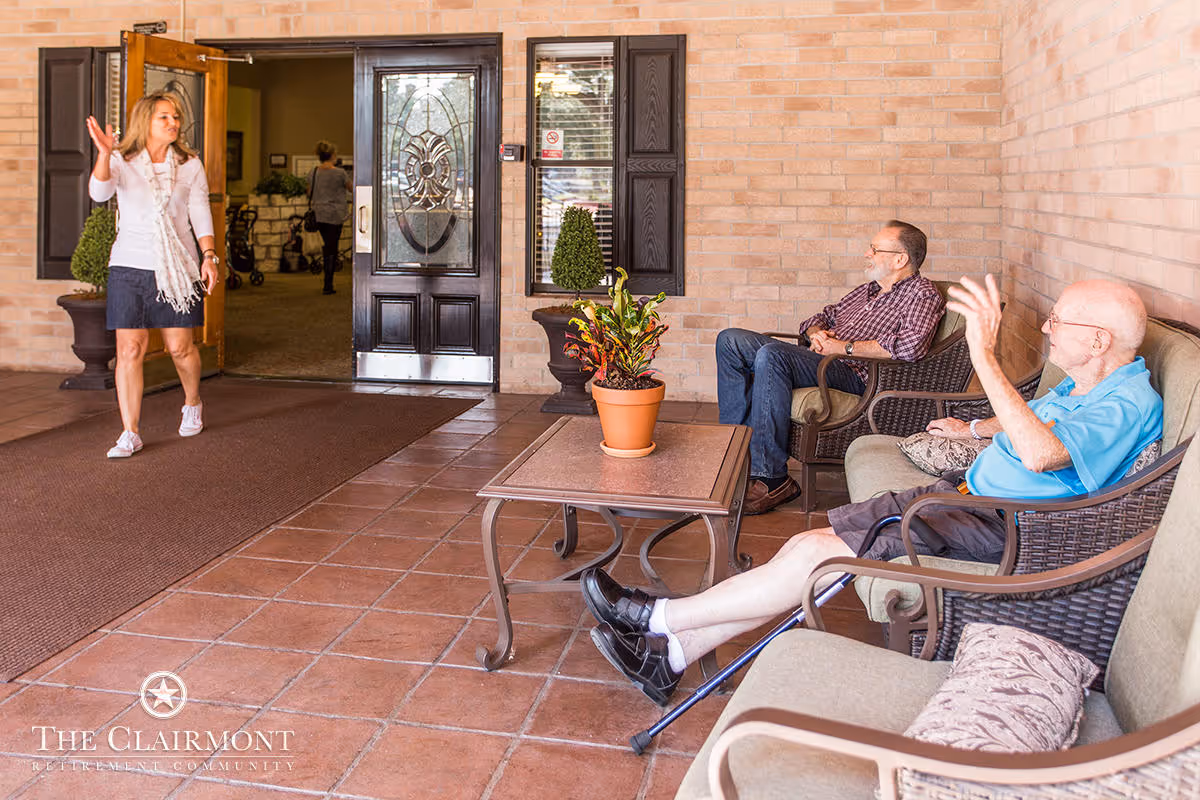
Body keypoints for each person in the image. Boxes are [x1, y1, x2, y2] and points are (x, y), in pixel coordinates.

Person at [583, 276, 1163, 705]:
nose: (1045, 328)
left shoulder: (1128, 402)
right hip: (966, 499)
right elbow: (1035, 417)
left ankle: (658, 617)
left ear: (1097, 340)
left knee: (815, 555)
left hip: (1007, 527)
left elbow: (1041, 452)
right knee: (807, 547)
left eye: (1058, 321)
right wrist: (973, 427)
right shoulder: (1091, 384)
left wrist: (983, 354)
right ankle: (673, 655)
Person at [716, 221, 945, 515]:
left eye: (875, 249)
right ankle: (736, 458)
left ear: (900, 259)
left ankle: (772, 479)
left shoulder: (922, 294)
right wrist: (816, 334)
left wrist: (843, 347)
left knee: (772, 355)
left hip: (857, 374)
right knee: (730, 340)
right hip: (822, 360)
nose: (867, 253)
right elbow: (821, 317)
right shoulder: (868, 291)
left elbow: (911, 345)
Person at [85, 91, 219, 459]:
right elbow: (99, 193)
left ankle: (192, 401)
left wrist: (209, 256)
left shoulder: (189, 164)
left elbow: (199, 212)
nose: (173, 122)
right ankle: (130, 431)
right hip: (129, 265)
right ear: (146, 120)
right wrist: (102, 154)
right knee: (130, 349)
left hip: (177, 267)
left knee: (180, 347)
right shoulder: (121, 160)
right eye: (164, 117)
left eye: (175, 117)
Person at [307, 140, 352, 295]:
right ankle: (328, 284)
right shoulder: (340, 173)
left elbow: (309, 192)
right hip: (335, 214)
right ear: (333, 155)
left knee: (327, 246)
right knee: (332, 248)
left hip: (319, 214)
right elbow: (352, 189)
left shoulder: (313, 172)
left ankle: (328, 281)